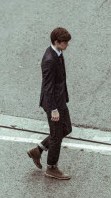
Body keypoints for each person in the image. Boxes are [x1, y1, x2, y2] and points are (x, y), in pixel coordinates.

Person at [27, 27, 72, 180]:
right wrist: (53, 109)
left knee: (66, 128)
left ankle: (38, 150)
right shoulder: (49, 60)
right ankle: (51, 168)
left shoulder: (57, 53)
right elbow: (48, 86)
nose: (67, 45)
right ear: (56, 42)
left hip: (59, 99)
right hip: (53, 103)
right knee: (56, 136)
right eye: (65, 42)